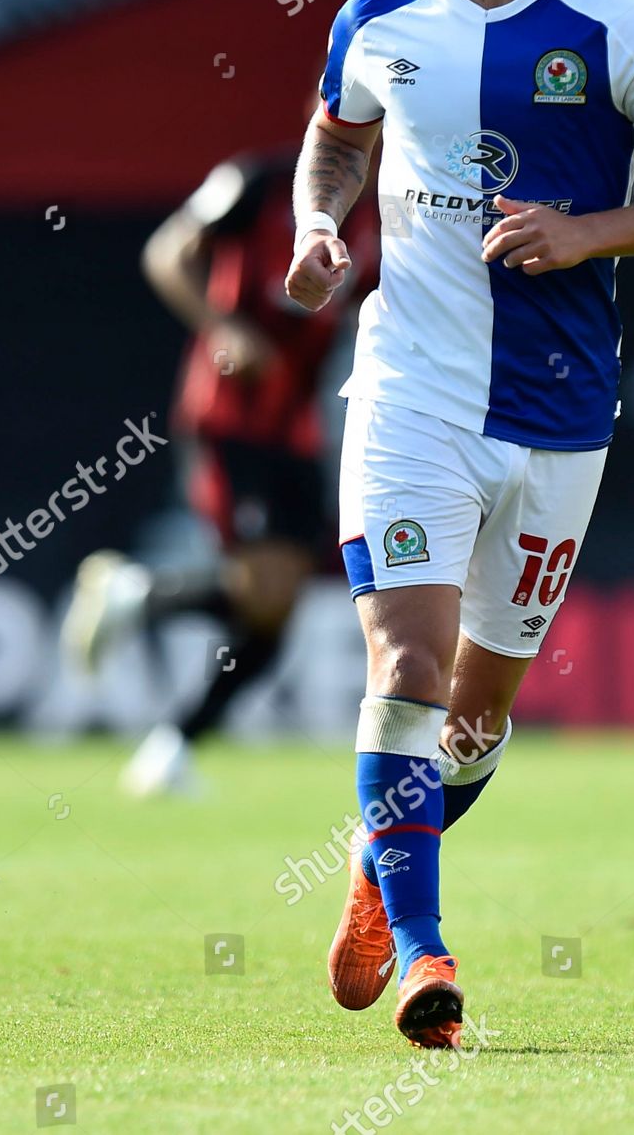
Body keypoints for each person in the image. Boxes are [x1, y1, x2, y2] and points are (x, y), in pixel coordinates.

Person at [284, 0, 634, 1048]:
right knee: (409, 665)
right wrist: (321, 229)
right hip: (408, 397)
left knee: (476, 719)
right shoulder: (375, 21)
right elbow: (335, 135)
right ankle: (428, 951)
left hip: (556, 416)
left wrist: (584, 234)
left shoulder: (626, 32)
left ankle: (384, 870)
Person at [62, 152, 370, 795]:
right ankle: (143, 616)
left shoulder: (389, 214)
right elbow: (167, 253)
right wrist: (224, 328)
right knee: (268, 591)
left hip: (299, 426)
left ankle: (170, 738)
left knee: (273, 615)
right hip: (231, 416)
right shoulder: (257, 184)